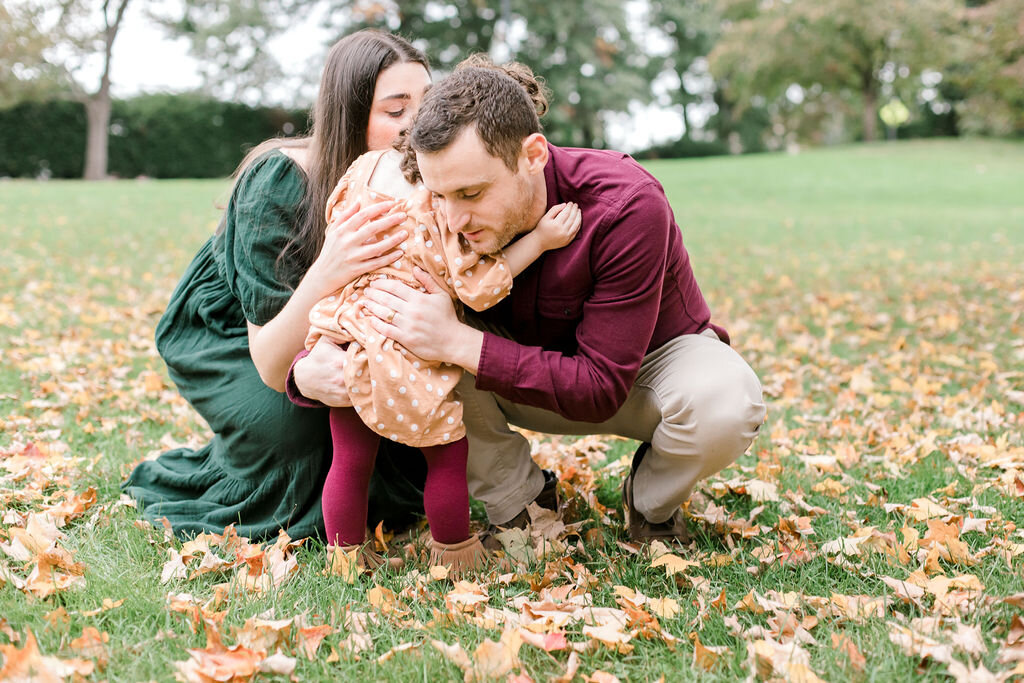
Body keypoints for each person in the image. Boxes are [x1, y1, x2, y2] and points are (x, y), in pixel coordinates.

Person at [350, 56, 768, 546]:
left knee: (727, 402)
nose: (454, 220)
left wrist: (458, 342)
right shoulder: (435, 213)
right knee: (413, 334)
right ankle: (520, 505)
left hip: (644, 370)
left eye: (472, 192)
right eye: (441, 196)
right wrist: (305, 368)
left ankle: (651, 502)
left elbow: (600, 385)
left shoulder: (626, 205)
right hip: (513, 370)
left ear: (533, 155)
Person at [123, 30, 434, 542]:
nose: (414, 129)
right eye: (395, 112)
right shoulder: (279, 179)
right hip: (234, 338)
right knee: (305, 431)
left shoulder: (420, 176)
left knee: (394, 410)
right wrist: (330, 267)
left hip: (339, 330)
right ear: (350, 114)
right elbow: (270, 360)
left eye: (424, 107)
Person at [302, 147, 580, 570]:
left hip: (347, 335)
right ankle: (456, 556)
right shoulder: (436, 205)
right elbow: (477, 287)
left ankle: (345, 561)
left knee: (350, 460)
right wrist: (539, 241)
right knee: (446, 453)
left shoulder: (360, 173)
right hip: (404, 349)